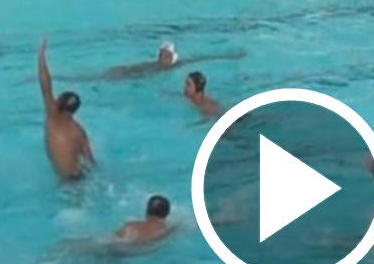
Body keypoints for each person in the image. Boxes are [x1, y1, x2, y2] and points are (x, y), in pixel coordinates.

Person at [36, 38, 96, 180]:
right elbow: (91, 161)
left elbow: (45, 85)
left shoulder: (53, 117)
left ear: (58, 104)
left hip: (67, 181)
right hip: (79, 177)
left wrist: (41, 58)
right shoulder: (79, 131)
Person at [104, 42, 246, 81]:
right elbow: (133, 68)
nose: (162, 58)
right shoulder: (152, 66)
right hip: (135, 74)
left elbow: (204, 58)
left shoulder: (179, 64)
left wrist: (229, 56)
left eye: (166, 56)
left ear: (173, 58)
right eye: (160, 55)